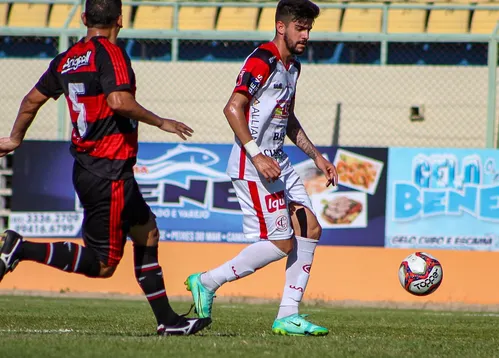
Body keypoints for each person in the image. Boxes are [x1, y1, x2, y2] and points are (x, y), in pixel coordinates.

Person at [0, 0, 211, 336]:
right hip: (108, 171)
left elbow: (31, 101)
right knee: (102, 265)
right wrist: (160, 122)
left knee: (147, 231)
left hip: (95, 168)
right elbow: (118, 101)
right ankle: (21, 248)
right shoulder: (110, 52)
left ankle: (168, 321)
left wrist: (14, 139)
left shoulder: (67, 58)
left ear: (84, 18)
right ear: (120, 20)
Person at [185, 0, 338, 336]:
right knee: (281, 242)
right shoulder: (262, 60)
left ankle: (287, 314)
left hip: (278, 160)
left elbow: (288, 119)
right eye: (301, 27)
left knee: (310, 229)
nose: (306, 35)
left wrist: (316, 157)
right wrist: (256, 155)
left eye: (309, 28)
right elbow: (232, 108)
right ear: (281, 27)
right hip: (253, 163)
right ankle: (207, 282)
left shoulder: (293, 67)